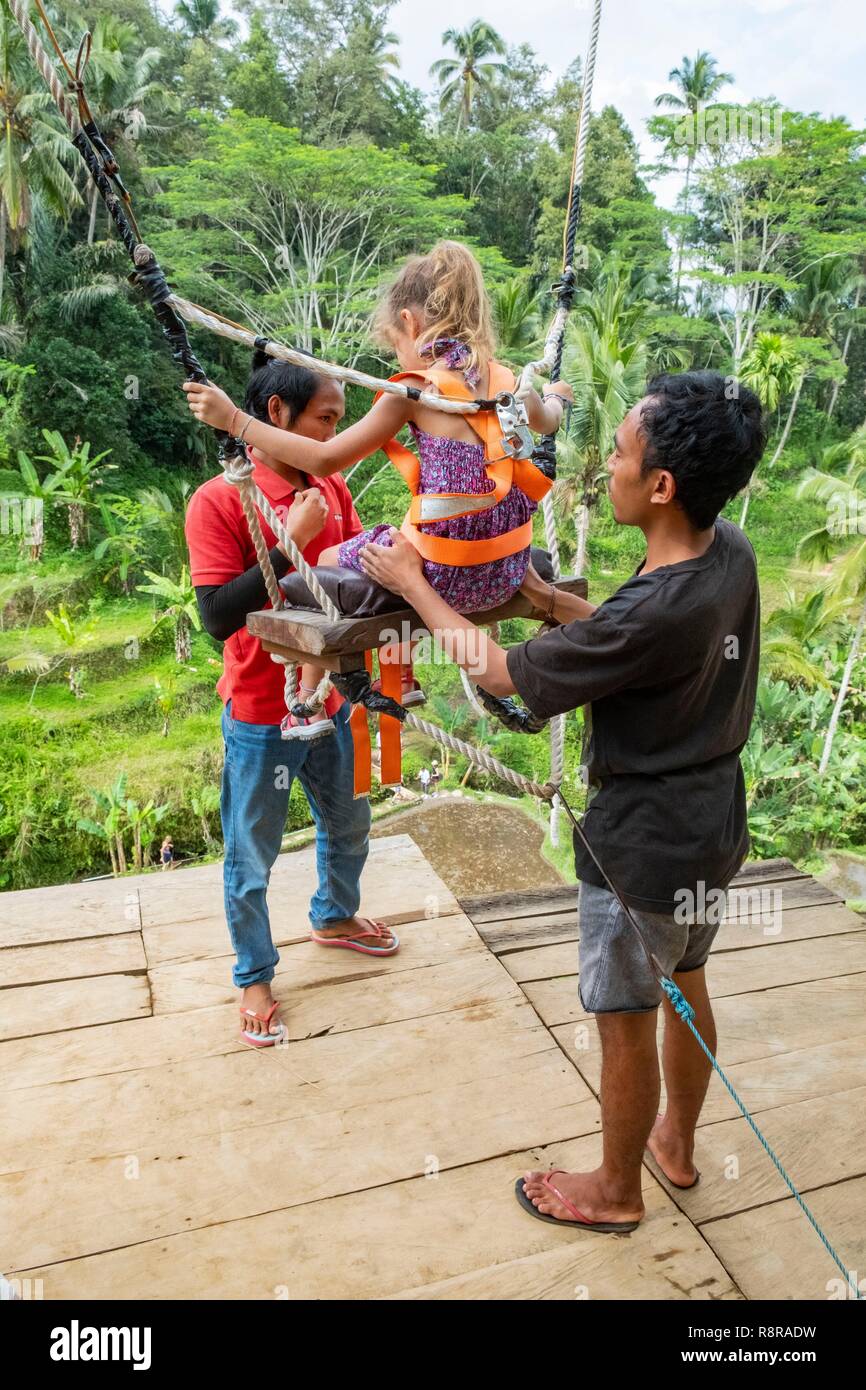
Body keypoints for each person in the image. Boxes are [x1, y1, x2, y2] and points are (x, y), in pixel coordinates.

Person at [358, 369, 766, 1232]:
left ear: (660, 485)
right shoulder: (727, 552)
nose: (604, 467)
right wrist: (543, 597)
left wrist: (412, 580)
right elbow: (630, 642)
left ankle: (616, 1192)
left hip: (642, 847)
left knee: (625, 1017)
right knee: (687, 981)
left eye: (618, 453)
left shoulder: (652, 609)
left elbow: (502, 671)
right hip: (711, 826)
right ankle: (677, 1147)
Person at [183, 241, 572, 741]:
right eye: (324, 418)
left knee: (343, 568)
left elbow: (325, 459)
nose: (397, 356)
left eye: (394, 345)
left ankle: (318, 691)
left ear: (411, 324)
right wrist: (558, 396)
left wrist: (232, 420)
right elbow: (551, 416)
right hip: (503, 567)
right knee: (378, 556)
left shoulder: (410, 393)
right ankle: (321, 695)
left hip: (450, 577)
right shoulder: (509, 383)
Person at [184, 352, 399, 1050]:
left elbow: (351, 573)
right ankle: (254, 974)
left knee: (351, 821)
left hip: (330, 696)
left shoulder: (331, 488)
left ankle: (333, 917)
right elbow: (218, 617)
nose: (335, 438)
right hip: (259, 712)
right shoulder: (219, 501)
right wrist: (289, 544)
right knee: (252, 859)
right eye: (327, 421)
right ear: (277, 416)